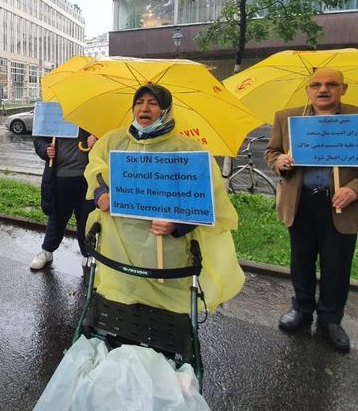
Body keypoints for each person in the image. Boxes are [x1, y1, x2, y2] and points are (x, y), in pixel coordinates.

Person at [265, 68, 358, 352]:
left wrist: (355, 190)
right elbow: (271, 152)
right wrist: (280, 162)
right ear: (308, 89)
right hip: (300, 202)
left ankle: (331, 319)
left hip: (342, 204)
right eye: (316, 85)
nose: (323, 89)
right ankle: (301, 309)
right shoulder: (287, 117)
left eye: (331, 84)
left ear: (343, 89)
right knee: (301, 259)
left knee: (337, 264)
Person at [84, 83, 244, 313]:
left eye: (153, 103)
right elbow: (95, 167)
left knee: (162, 310)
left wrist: (179, 224)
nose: (144, 108)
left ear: (166, 109)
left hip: (167, 248)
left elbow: (206, 198)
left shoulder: (187, 148)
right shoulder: (113, 141)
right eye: (139, 102)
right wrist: (100, 193)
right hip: (120, 242)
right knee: (122, 299)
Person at [30, 129, 97, 270]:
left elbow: (108, 141)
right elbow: (39, 139)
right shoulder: (53, 111)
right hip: (60, 177)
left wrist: (98, 141)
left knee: (85, 218)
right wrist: (45, 149)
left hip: (87, 178)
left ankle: (87, 254)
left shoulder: (93, 115)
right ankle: (47, 251)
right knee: (57, 216)